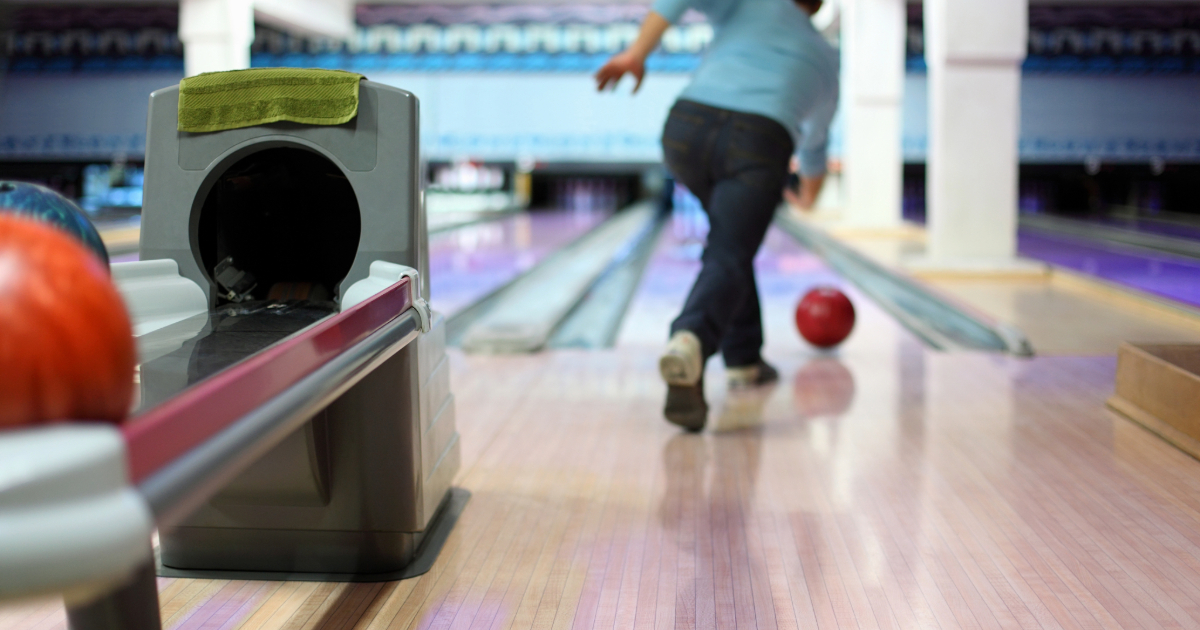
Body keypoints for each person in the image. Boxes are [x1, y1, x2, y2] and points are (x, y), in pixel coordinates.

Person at [595, 0, 838, 431]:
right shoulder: (825, 58)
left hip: (687, 129)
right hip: (761, 141)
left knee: (731, 246)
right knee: (729, 251)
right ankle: (691, 338)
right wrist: (806, 199)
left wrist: (637, 53)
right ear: (818, 6)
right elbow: (815, 151)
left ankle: (744, 359)